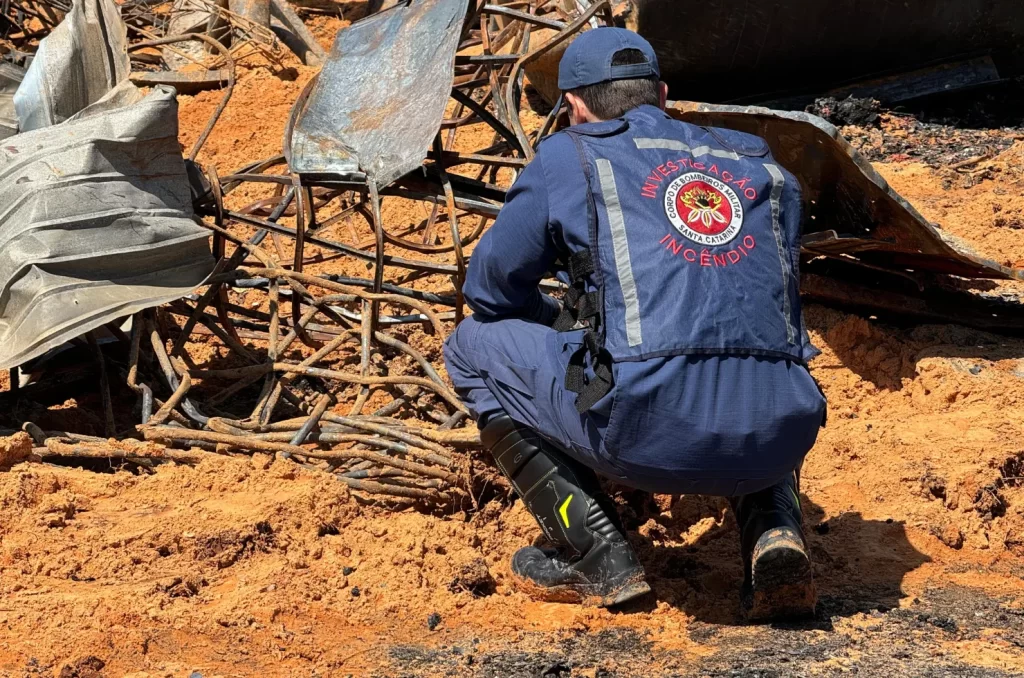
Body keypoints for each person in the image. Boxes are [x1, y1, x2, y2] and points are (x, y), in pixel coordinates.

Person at [443, 27, 826, 619]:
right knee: (753, 358)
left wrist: (560, 325)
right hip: (784, 429)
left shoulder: (571, 155)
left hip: (648, 432)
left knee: (470, 345)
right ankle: (774, 531)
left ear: (573, 107)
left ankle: (592, 552)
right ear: (663, 94)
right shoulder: (751, 159)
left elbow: (490, 293)